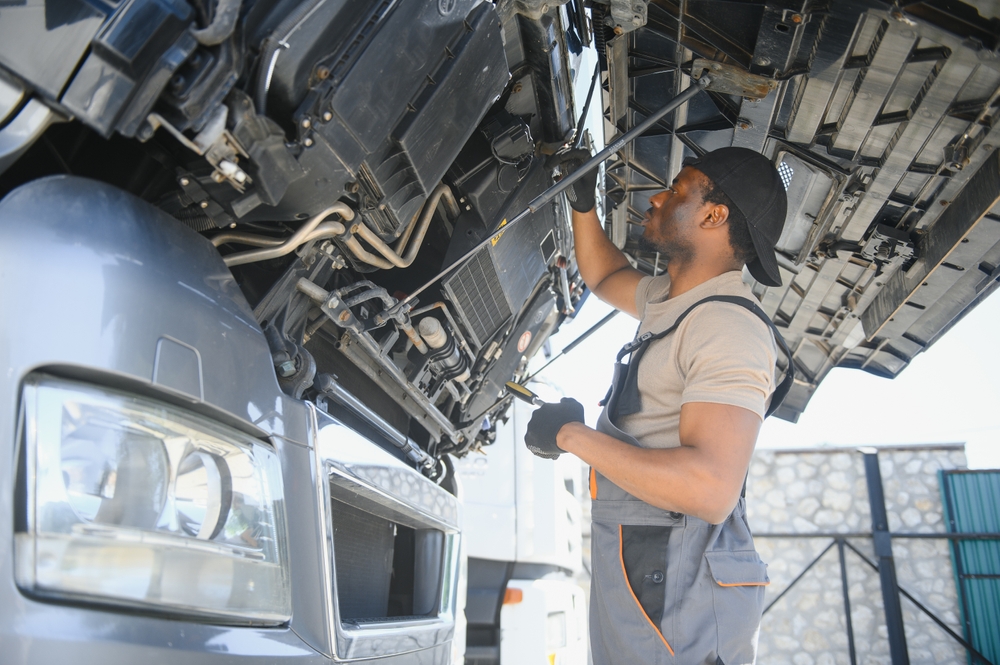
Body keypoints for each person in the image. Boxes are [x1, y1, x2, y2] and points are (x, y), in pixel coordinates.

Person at [524, 146, 792, 664]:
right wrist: (583, 205)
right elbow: (605, 278)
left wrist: (572, 437)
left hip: (676, 573)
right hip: (648, 554)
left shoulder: (728, 326)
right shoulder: (673, 298)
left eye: (677, 189)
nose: (656, 197)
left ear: (714, 215)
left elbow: (710, 488)